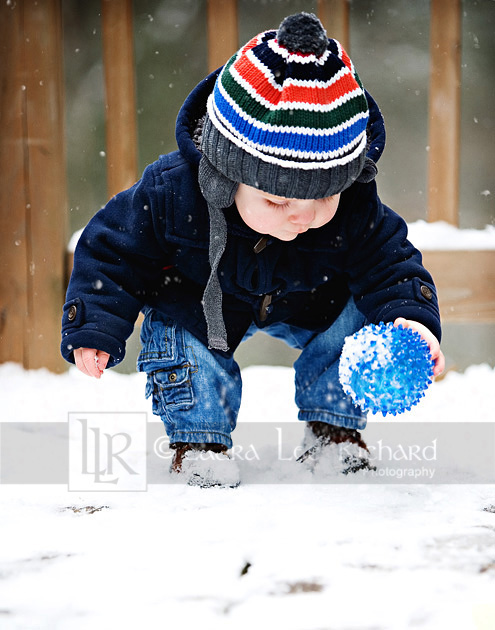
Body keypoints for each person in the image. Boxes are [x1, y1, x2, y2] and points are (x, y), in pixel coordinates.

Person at [61, 13, 445, 487]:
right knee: (178, 334)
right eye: (277, 200)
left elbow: (392, 260)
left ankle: (334, 431)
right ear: (227, 177)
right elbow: (112, 250)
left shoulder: (354, 205)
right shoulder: (172, 195)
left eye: (324, 196)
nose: (302, 216)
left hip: (311, 299)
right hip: (202, 301)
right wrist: (96, 323)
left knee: (361, 311)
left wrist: (412, 318)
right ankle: (199, 440)